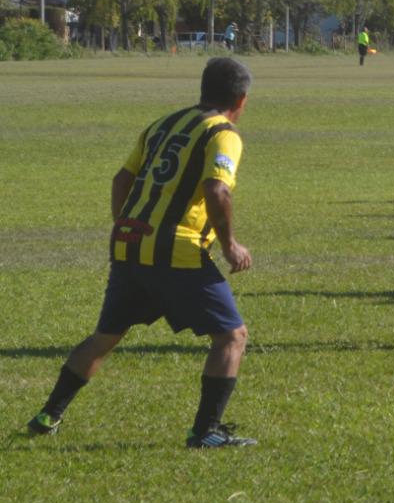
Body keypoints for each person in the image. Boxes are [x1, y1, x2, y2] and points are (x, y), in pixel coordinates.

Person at [27, 58, 258, 447]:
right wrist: (230, 244)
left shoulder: (162, 125)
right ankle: (206, 432)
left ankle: (49, 414)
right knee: (232, 337)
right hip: (177, 252)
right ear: (241, 98)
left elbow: (122, 178)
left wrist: (125, 223)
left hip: (130, 244)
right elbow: (218, 190)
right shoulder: (224, 134)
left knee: (105, 336)